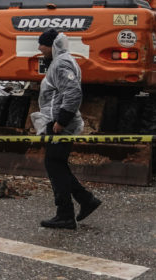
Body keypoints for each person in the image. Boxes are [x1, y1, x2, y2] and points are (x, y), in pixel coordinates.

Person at [35, 28, 101, 230]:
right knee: (57, 165)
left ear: (52, 45)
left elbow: (72, 92)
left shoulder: (62, 63)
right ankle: (85, 200)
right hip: (58, 122)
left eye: (42, 45)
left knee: (54, 165)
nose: (39, 48)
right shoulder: (60, 61)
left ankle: (66, 214)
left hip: (60, 124)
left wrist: (61, 120)